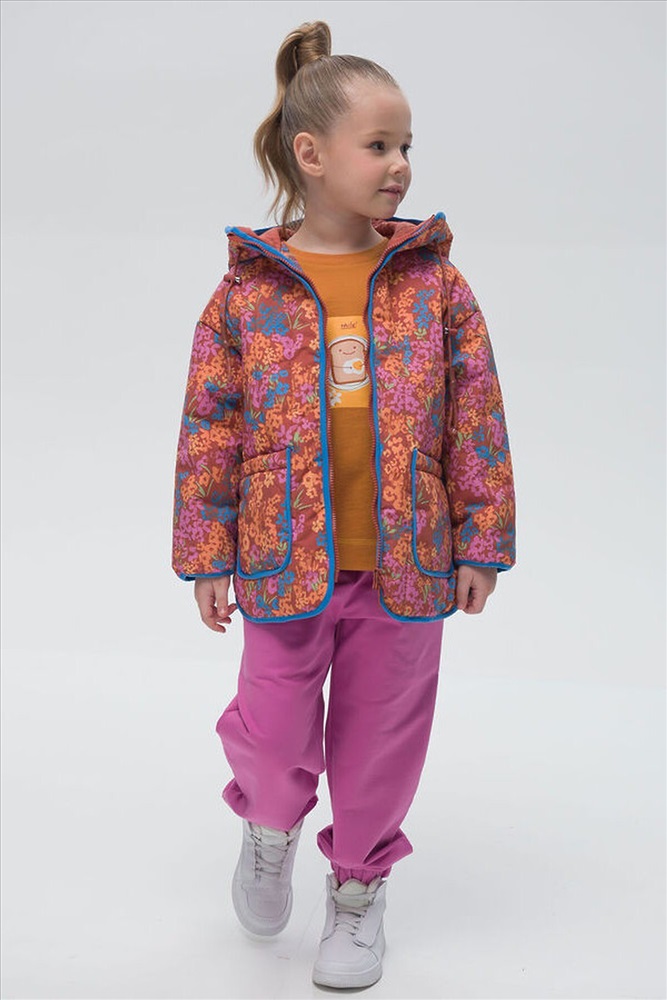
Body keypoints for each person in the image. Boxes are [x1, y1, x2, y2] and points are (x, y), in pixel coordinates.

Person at [171, 19, 516, 990]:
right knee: (273, 730)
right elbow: (210, 426)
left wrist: (481, 540)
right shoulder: (245, 295)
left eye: (406, 145)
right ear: (311, 154)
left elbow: (477, 416)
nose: (399, 165)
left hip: (407, 564)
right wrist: (206, 552)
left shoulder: (436, 286)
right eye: (378, 145)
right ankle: (267, 824)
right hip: (282, 558)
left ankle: (359, 890)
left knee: (380, 744)